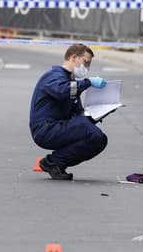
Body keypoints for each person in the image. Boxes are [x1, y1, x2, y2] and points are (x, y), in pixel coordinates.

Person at [29, 43, 109, 180]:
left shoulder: (72, 82)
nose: (88, 69)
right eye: (86, 63)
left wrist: (99, 113)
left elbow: (79, 116)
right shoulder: (54, 76)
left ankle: (55, 163)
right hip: (44, 129)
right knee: (91, 132)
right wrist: (88, 82)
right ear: (73, 57)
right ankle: (52, 162)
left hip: (58, 127)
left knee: (99, 139)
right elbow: (62, 91)